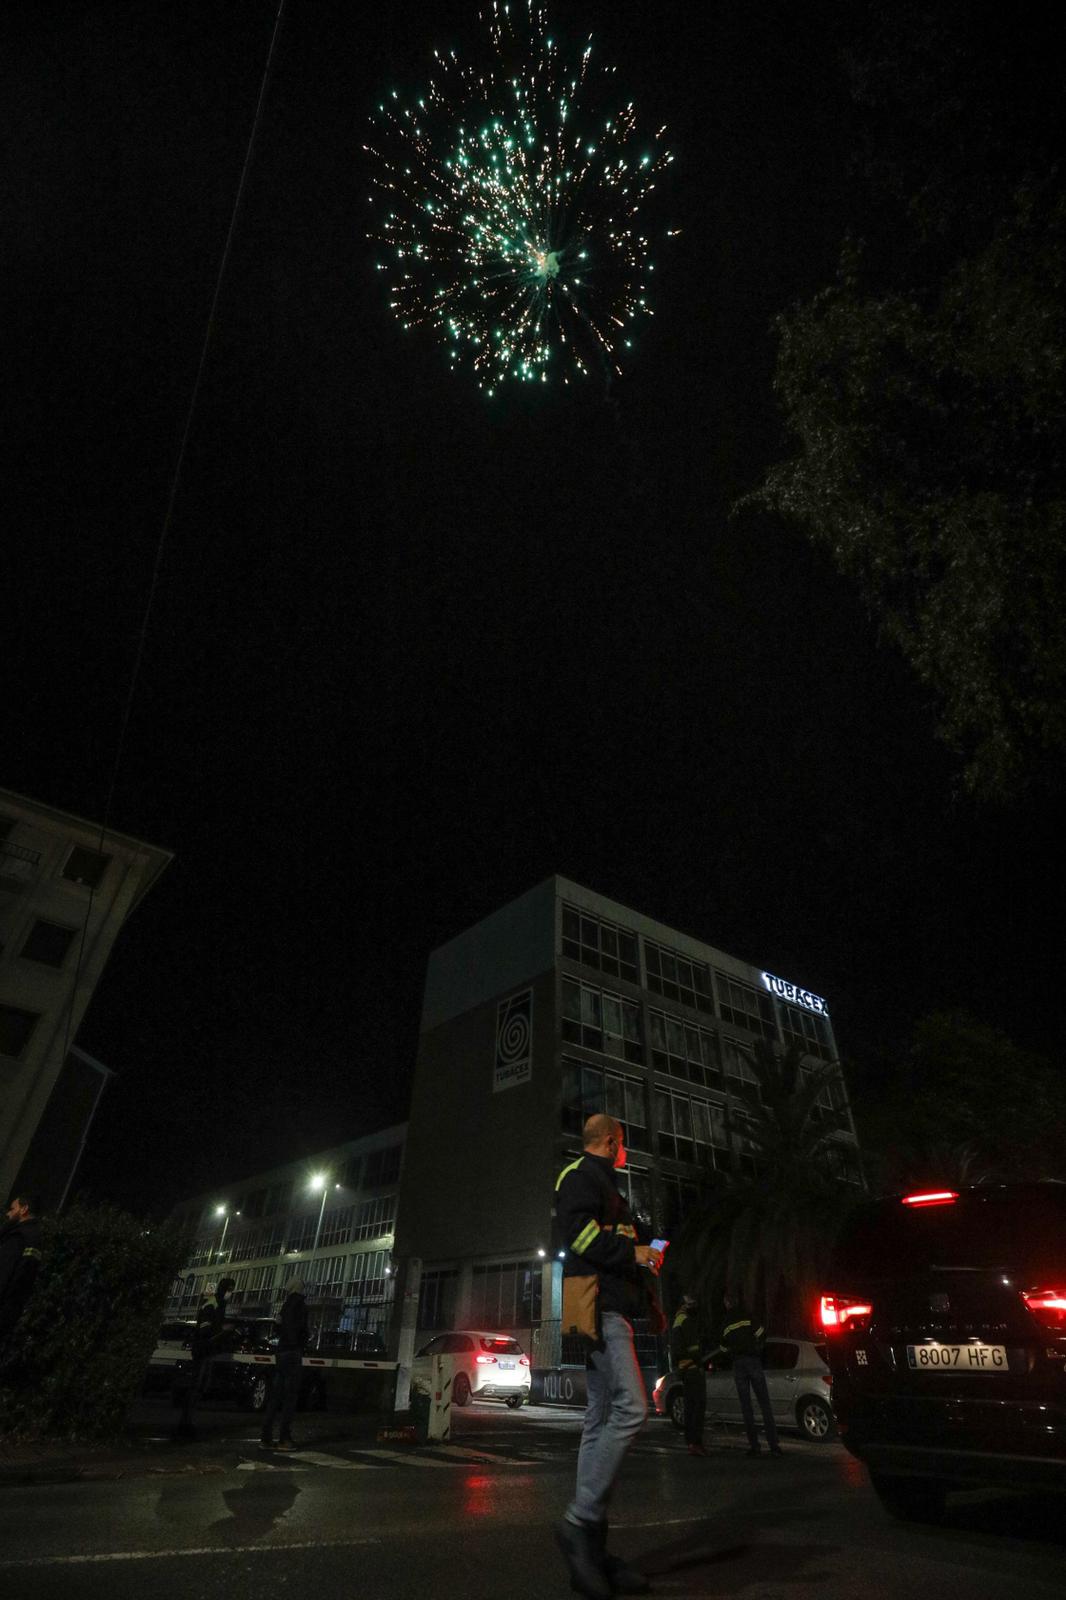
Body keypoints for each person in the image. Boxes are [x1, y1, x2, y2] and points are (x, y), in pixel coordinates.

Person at [554, 1113, 664, 1599]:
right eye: (624, 1143)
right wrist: (636, 1255)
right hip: (601, 1308)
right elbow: (578, 1239)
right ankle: (580, 1522)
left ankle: (591, 1551)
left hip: (614, 1307)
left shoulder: (608, 1186)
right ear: (613, 1141)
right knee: (633, 1409)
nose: (626, 1150)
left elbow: (636, 1239)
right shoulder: (580, 1177)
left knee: (598, 1420)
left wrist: (653, 1246)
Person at [717, 1288, 782, 1457]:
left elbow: (723, 1349)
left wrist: (732, 1352)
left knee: (746, 1407)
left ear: (726, 1303)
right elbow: (761, 1334)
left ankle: (755, 1447)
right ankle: (774, 1446)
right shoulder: (747, 1316)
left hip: (739, 1364)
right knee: (764, 1404)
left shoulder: (726, 1323)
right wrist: (756, 1349)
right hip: (753, 1361)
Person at [173, 1275, 236, 1439]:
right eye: (229, 1290)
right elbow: (205, 1329)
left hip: (206, 1350)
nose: (231, 1293)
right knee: (196, 1387)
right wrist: (222, 1331)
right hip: (203, 1351)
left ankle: (187, 1424)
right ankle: (185, 1425)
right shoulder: (213, 1304)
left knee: (199, 1388)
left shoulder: (219, 1304)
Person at [260, 1277, 309, 1451]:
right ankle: (284, 1438)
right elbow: (300, 1329)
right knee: (290, 1397)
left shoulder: (285, 1305)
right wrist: (300, 1342)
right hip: (293, 1352)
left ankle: (266, 1437)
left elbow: (278, 1327)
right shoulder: (300, 1305)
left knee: (276, 1395)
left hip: (281, 1352)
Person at [0, 1194, 43, 1344]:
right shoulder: (35, 1237)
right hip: (10, 1311)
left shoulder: (18, 1237)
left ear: (24, 1209)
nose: (8, 1213)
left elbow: (3, 1274)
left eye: (12, 1209)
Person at [670, 1291, 707, 1456]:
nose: (693, 1307)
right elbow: (693, 1349)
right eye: (690, 1304)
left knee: (690, 1408)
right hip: (692, 1369)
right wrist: (699, 1359)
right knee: (697, 1408)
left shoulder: (677, 1321)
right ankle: (696, 1443)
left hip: (685, 1370)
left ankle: (691, 1442)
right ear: (684, 1306)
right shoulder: (686, 1321)